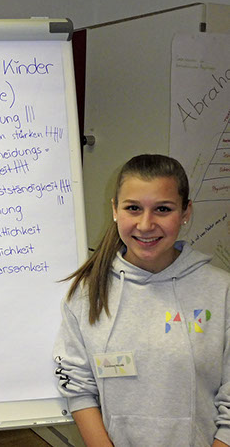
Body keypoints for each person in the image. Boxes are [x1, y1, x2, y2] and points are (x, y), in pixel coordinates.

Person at [53, 154, 230, 447]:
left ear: (185, 212)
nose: (146, 225)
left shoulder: (221, 291)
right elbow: (77, 385)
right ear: (115, 209)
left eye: (163, 209)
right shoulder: (87, 292)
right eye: (133, 208)